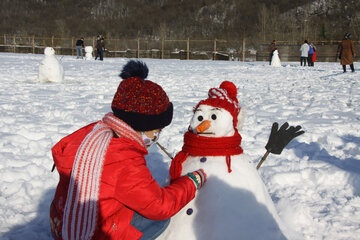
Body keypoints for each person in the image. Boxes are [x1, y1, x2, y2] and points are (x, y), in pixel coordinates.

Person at [49, 60, 207, 240]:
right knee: (158, 220)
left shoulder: (94, 132)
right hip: (93, 234)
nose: (157, 135)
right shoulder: (123, 159)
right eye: (157, 129)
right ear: (142, 124)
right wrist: (191, 182)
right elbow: (160, 206)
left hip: (62, 221)